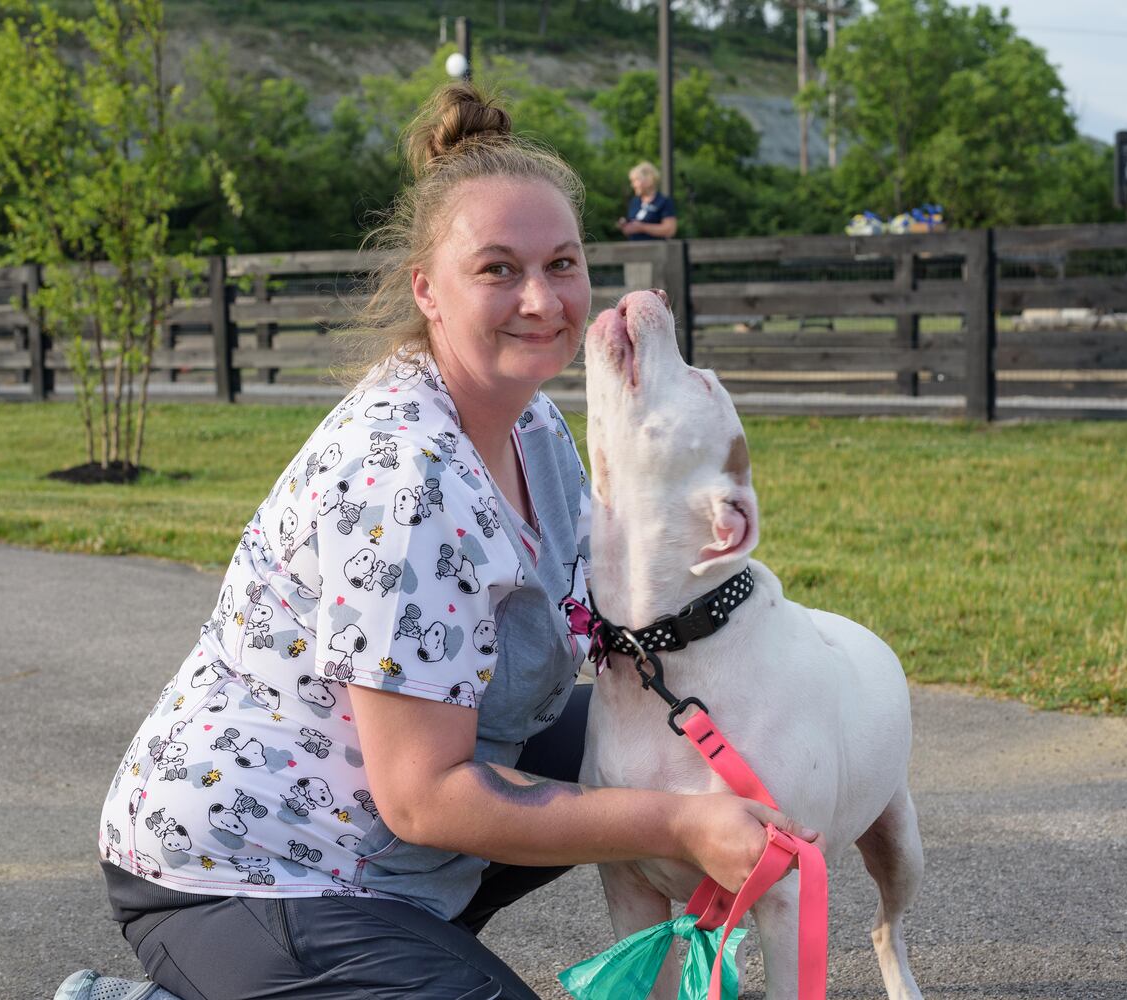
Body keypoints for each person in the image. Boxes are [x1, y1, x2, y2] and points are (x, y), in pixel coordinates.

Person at [56, 83, 811, 1000]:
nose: (542, 300)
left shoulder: (534, 430)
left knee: (673, 741)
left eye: (563, 263)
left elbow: (610, 633)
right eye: (497, 269)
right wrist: (676, 824)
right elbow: (424, 797)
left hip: (385, 846)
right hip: (250, 874)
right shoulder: (403, 479)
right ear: (428, 290)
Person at [615, 160, 678, 241]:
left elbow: (670, 230)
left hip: (657, 250)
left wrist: (642, 227)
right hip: (634, 250)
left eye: (636, 180)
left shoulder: (663, 202)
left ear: (649, 180)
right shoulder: (635, 202)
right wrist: (625, 225)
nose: (633, 185)